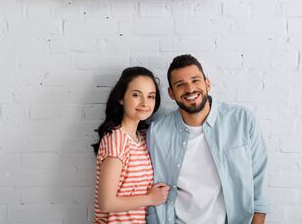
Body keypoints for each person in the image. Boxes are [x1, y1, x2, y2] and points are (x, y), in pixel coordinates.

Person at [146, 54, 270, 224]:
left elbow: (259, 183)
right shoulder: (158, 132)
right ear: (171, 93)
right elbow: (154, 190)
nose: (190, 89)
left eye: (195, 80)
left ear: (207, 83)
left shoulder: (242, 120)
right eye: (180, 85)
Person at [92, 67, 170, 224]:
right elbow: (106, 203)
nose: (145, 103)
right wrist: (150, 198)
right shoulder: (116, 139)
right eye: (136, 95)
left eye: (151, 96)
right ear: (121, 98)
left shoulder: (142, 138)